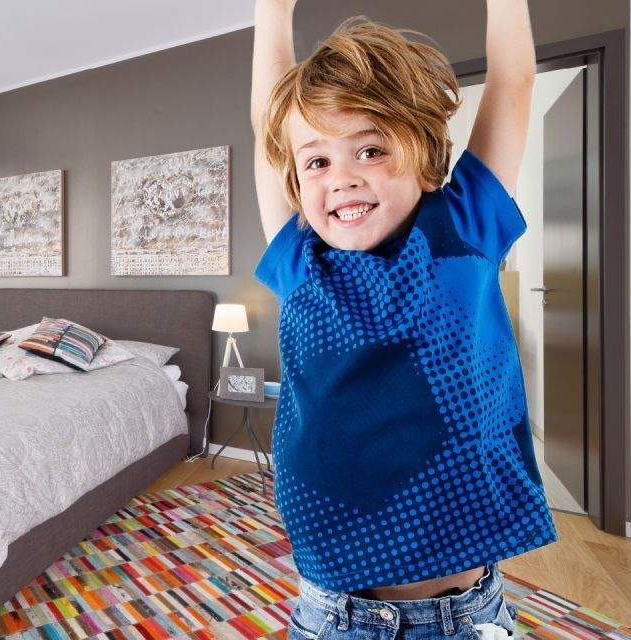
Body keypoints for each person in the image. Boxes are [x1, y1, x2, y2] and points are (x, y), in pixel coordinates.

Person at [250, 1, 557, 638]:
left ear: (422, 151)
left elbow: (514, 82)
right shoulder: (299, 260)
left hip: (461, 614)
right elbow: (268, 128)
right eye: (317, 161)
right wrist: (271, 11)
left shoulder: (463, 228)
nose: (341, 179)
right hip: (333, 614)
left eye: (369, 149)